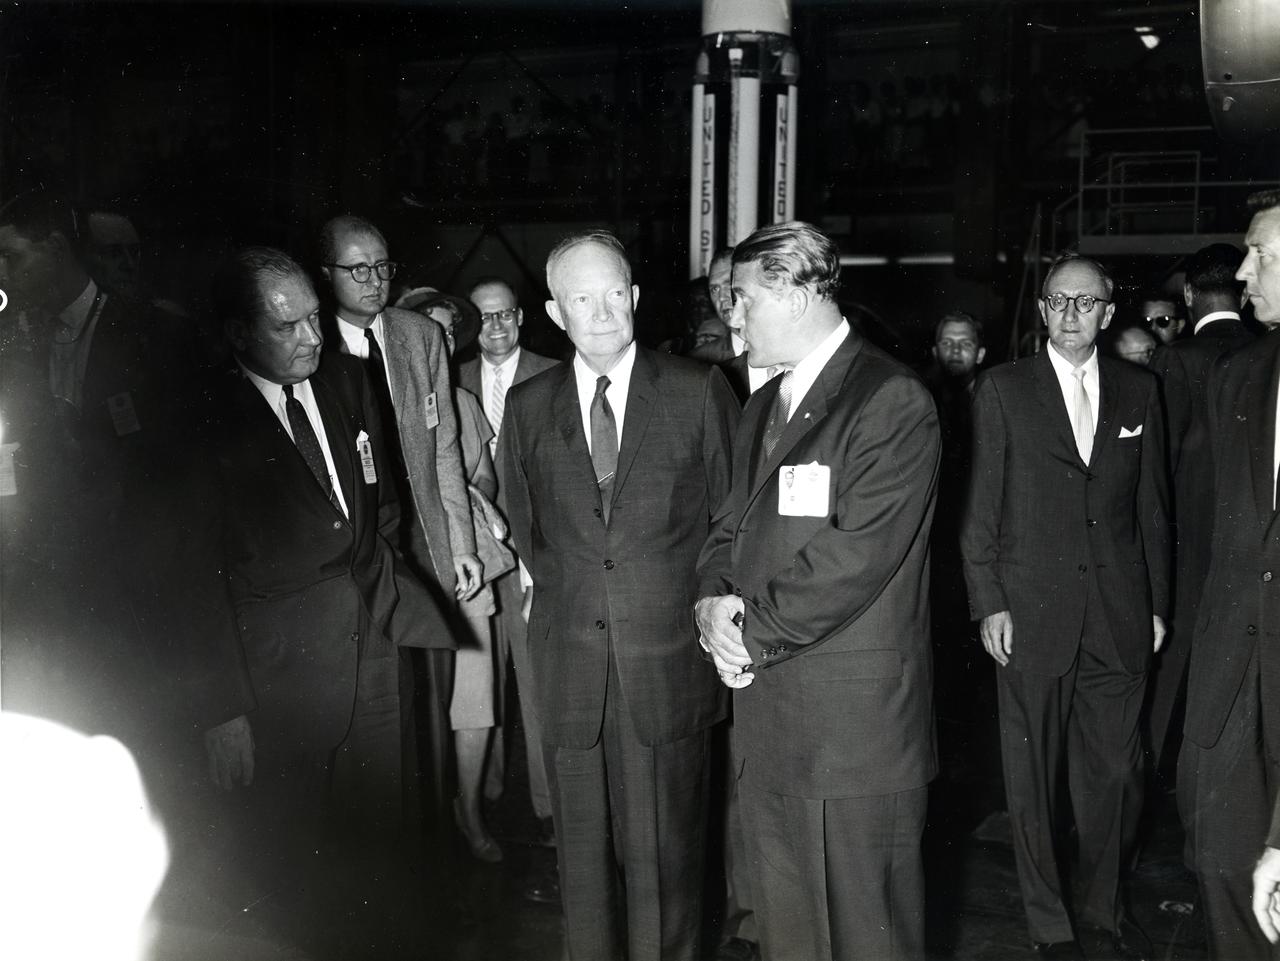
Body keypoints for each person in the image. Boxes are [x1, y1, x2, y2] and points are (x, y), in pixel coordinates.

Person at [695, 221, 940, 961]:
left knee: (869, 941)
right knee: (791, 937)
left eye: (741, 300)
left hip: (854, 738)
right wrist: (710, 603)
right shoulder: (762, 406)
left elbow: (854, 557)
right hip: (770, 725)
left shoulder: (890, 401)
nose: (730, 318)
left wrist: (748, 631)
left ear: (797, 295)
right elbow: (723, 528)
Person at [195, 247, 449, 957]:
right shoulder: (202, 420)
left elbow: (384, 505)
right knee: (295, 862)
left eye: (315, 317)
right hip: (278, 677)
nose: (313, 337)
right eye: (289, 326)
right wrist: (222, 705)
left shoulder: (347, 376)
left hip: (375, 649)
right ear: (238, 333)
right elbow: (191, 576)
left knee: (383, 847)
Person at [498, 230, 738, 961]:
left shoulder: (698, 391)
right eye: (581, 298)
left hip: (665, 670)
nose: (601, 311)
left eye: (614, 294)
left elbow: (731, 523)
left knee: (667, 871)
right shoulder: (528, 405)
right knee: (582, 871)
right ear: (554, 311)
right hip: (572, 669)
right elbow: (526, 524)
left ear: (635, 298)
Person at [962, 254, 1171, 959]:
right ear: (1042, 311)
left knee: (1116, 775)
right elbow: (979, 509)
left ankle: (1104, 914)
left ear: (1109, 314)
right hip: (1030, 614)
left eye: (1087, 303)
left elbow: (1154, 511)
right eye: (1059, 302)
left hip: (1118, 614)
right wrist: (989, 600)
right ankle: (1049, 924)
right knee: (1031, 782)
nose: (1072, 314)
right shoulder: (1002, 389)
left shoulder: (1142, 390)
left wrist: (1158, 604)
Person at [317, 214, 478, 855]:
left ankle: (430, 842)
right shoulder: (312, 342)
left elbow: (445, 450)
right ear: (325, 274)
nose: (375, 280)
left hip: (420, 541)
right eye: (358, 269)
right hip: (352, 549)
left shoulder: (419, 337)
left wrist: (459, 542)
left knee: (429, 701)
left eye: (383, 266)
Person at [1179, 190, 1280, 960]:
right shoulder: (1239, 375)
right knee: (1221, 867)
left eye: (1263, 254)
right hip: (1230, 685)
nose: (1243, 272)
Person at [400, 284, 511, 863]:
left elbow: (484, 473)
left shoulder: (464, 402)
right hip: (418, 572)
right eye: (430, 328)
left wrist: (480, 497)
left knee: (474, 701)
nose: (441, 339)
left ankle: (468, 810)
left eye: (448, 330)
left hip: (470, 570)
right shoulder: (387, 396)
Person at [1144, 243, 1253, 774]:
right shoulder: (1265, 352)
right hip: (1251, 548)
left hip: (1186, 547)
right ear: (1242, 290)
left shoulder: (1176, 358)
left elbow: (1157, 465)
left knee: (1167, 677)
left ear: (1188, 294)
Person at [461, 275, 559, 850]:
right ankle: (489, 800)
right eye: (484, 317)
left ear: (520, 318)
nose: (494, 327)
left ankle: (551, 815)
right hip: (476, 560)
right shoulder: (452, 381)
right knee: (480, 691)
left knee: (538, 690)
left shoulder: (552, 375)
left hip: (530, 559)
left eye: (504, 316)